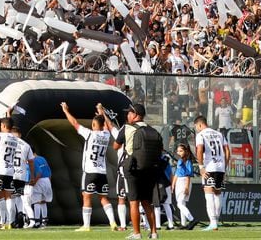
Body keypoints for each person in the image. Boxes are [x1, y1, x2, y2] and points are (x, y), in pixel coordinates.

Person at [61, 102, 117, 232]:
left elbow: (74, 123)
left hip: (90, 171)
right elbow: (108, 126)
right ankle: (113, 223)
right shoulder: (106, 135)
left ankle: (86, 226)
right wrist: (101, 112)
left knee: (86, 196)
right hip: (102, 172)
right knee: (103, 198)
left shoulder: (90, 134)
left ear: (93, 125)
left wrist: (66, 111)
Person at [112, 104, 163, 240]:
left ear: (136, 115)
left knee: (134, 201)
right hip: (149, 169)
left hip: (132, 168)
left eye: (129, 113)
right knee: (147, 202)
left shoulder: (127, 127)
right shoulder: (152, 130)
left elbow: (115, 146)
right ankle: (153, 233)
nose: (127, 115)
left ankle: (137, 233)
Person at [194, 115, 230, 232]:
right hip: (220, 167)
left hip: (209, 167)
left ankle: (213, 223)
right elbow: (227, 151)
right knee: (218, 193)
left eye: (196, 127)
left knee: (208, 193)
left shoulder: (201, 135)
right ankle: (216, 221)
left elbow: (199, 149)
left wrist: (201, 167)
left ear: (200, 124)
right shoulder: (219, 134)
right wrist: (225, 166)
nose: (197, 129)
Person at [9, 126, 35, 229]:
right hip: (22, 175)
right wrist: (32, 175)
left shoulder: (8, 142)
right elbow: (31, 161)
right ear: (20, 134)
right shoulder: (26, 145)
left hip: (11, 173)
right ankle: (21, 216)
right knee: (20, 197)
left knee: (11, 198)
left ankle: (11, 220)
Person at [172, 143, 197, 229]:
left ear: (186, 151)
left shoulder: (188, 161)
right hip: (179, 182)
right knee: (182, 203)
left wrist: (186, 187)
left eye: (181, 151)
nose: (179, 152)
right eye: (178, 151)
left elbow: (188, 175)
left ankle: (192, 219)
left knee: (180, 204)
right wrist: (173, 184)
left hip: (184, 182)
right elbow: (176, 173)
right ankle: (183, 224)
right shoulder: (179, 161)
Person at [29, 151, 52, 228]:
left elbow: (39, 172)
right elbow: (49, 170)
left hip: (39, 180)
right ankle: (44, 221)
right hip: (47, 180)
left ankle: (37, 222)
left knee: (36, 202)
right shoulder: (42, 158)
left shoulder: (33, 160)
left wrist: (34, 182)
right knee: (43, 201)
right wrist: (49, 181)